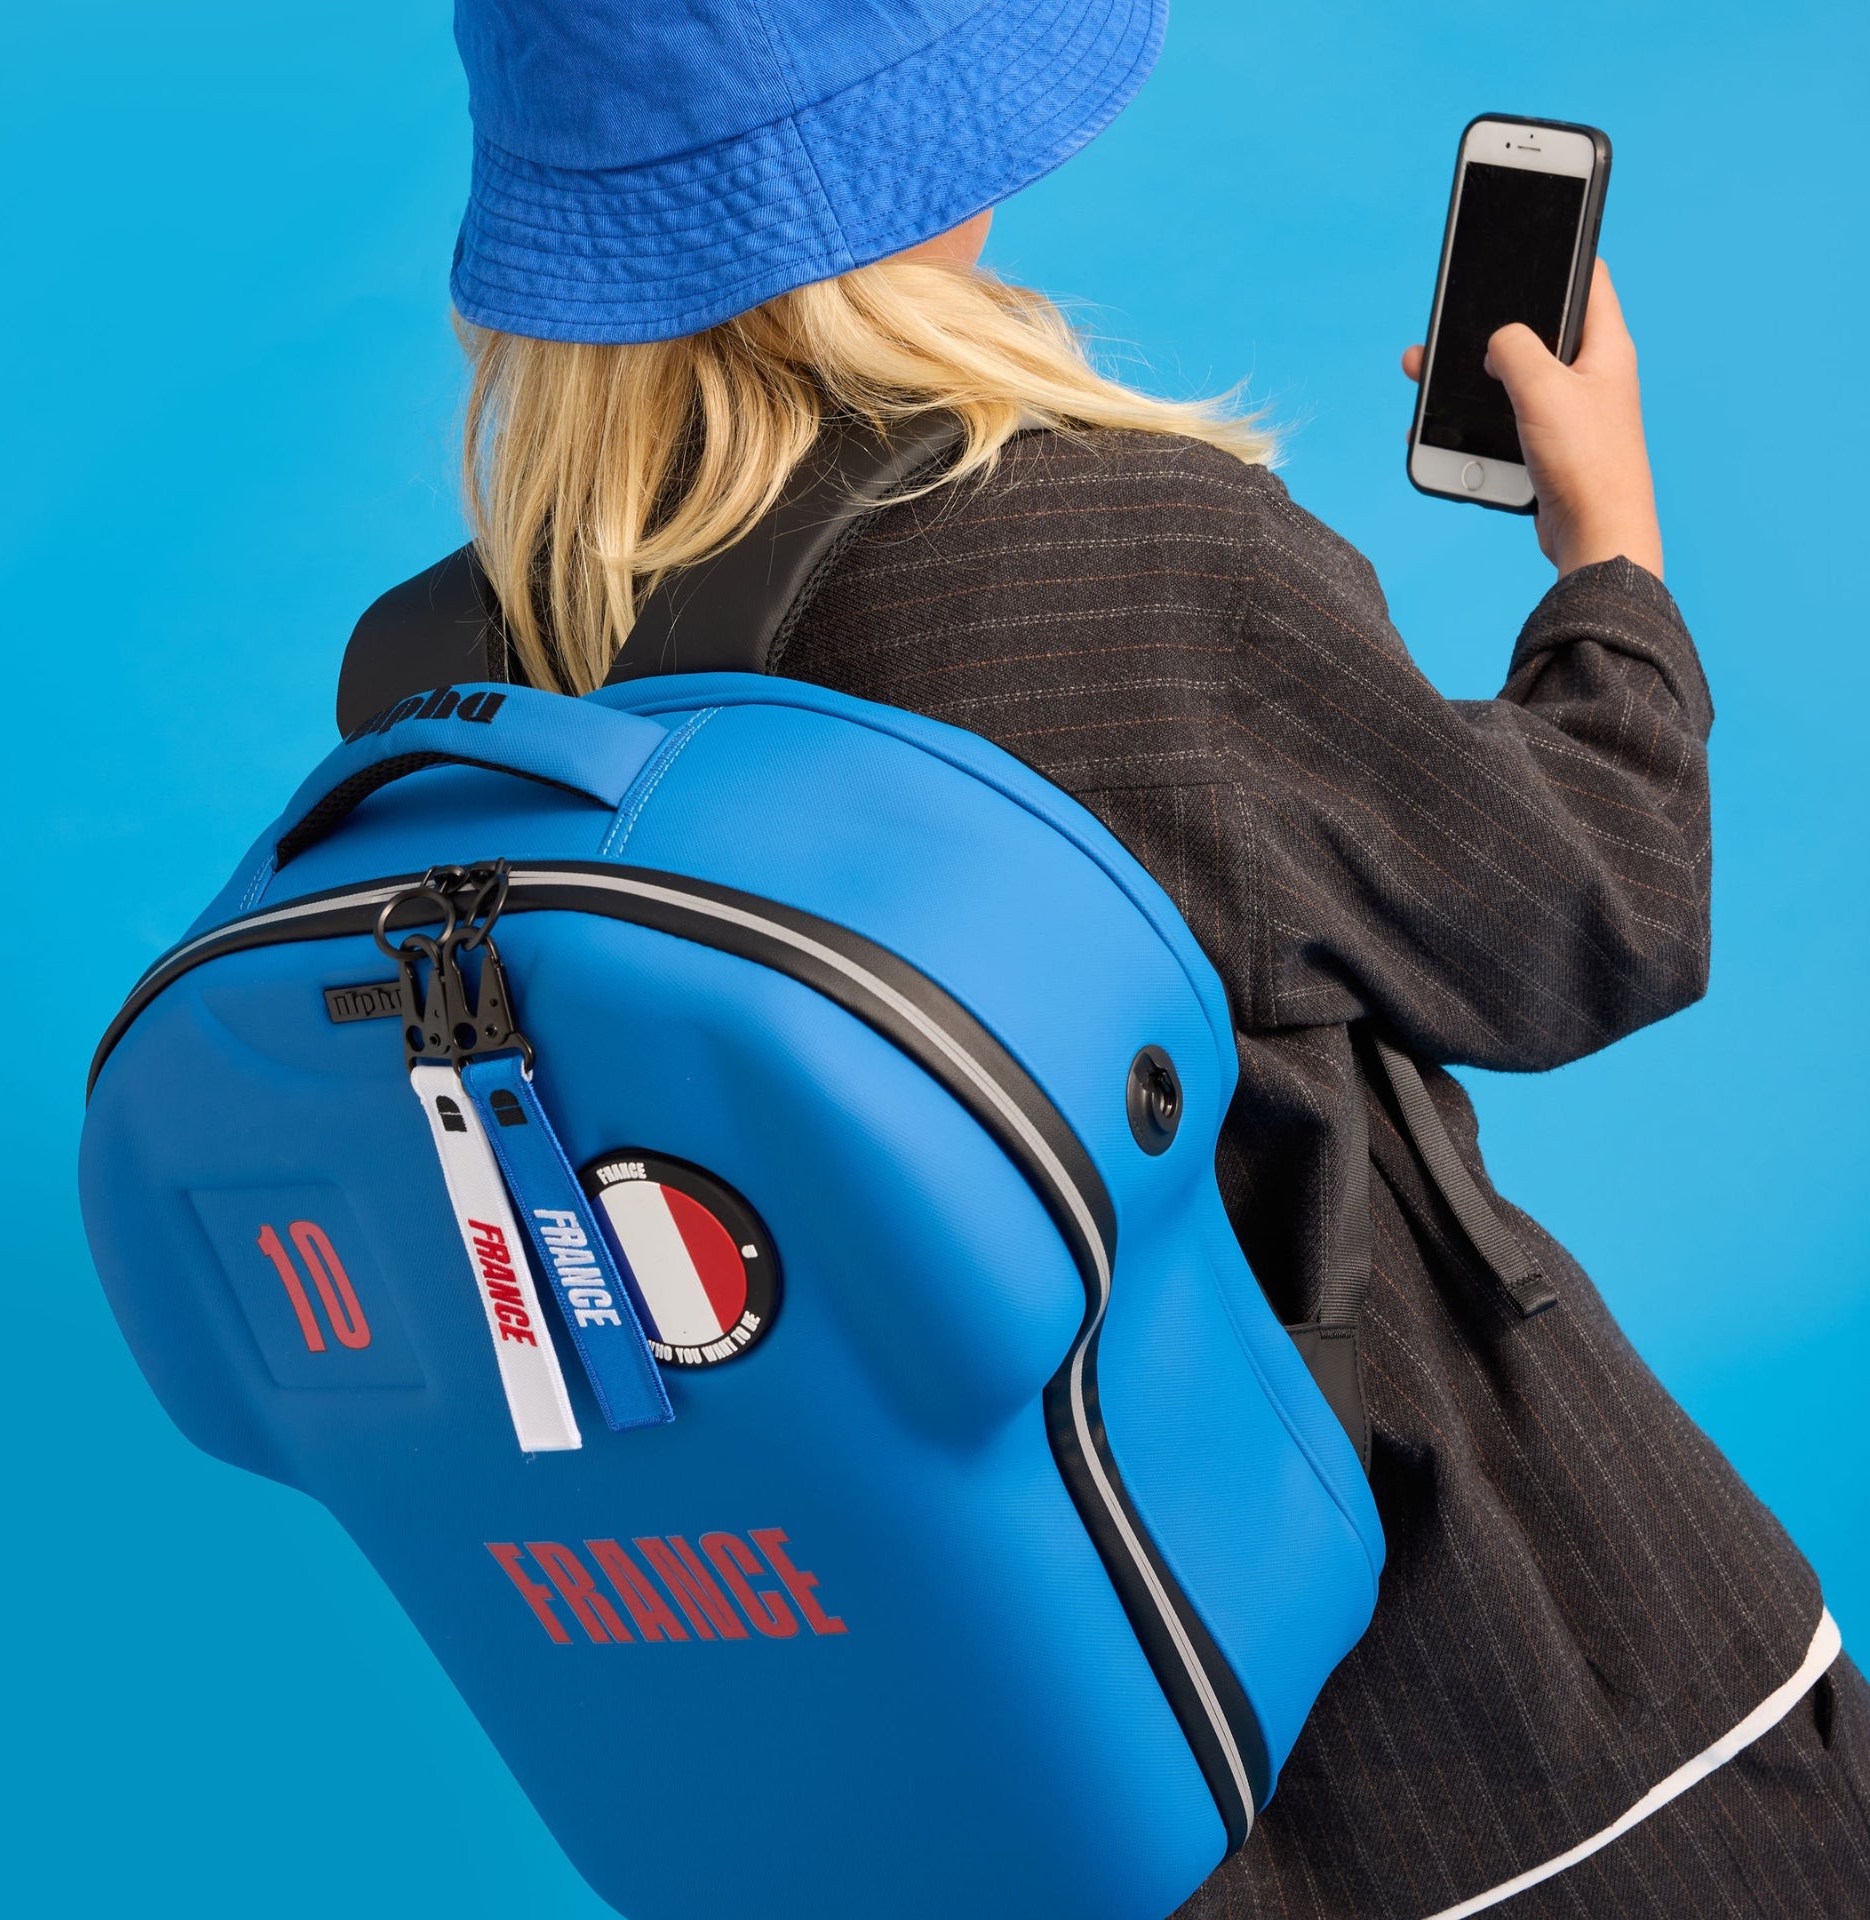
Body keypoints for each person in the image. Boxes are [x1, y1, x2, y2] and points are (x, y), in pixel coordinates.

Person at [363, 1, 1870, 1911]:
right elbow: (1601, 912)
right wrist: (1610, 550)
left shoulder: (437, 690)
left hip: (977, 1772)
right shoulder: (1104, 557)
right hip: (1492, 1737)